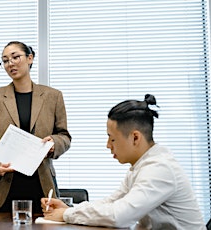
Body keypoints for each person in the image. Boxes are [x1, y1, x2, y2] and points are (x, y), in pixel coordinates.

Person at [41, 94, 206, 229]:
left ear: (135, 137)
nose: (108, 145)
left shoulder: (159, 168)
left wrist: (66, 215)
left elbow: (119, 216)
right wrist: (70, 209)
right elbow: (112, 202)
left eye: (112, 139)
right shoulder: (141, 166)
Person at [0, 41, 72, 214]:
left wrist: (54, 143)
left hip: (40, 183)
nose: (10, 63)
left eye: (15, 57)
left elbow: (64, 136)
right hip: (2, 185)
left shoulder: (53, 96)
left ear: (30, 58)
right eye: (5, 60)